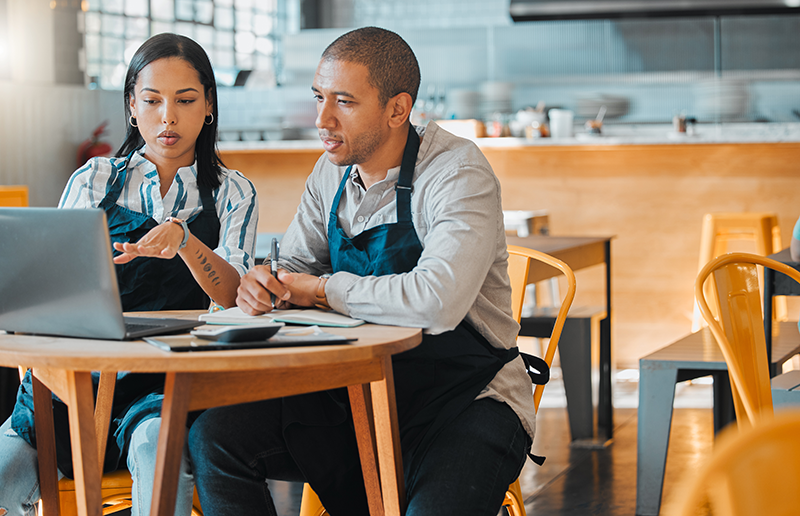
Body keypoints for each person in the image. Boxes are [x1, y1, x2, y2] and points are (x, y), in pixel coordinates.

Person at [187, 27, 535, 516]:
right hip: (355, 393)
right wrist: (266, 286)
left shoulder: (457, 173)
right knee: (215, 437)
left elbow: (436, 301)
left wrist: (323, 291)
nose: (322, 120)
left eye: (344, 102)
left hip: (465, 403)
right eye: (318, 98)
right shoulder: (330, 171)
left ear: (398, 109)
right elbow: (293, 266)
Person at [0, 33, 258, 516]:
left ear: (208, 107)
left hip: (161, 391)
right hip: (69, 389)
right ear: (132, 108)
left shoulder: (232, 193)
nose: (168, 117)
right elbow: (48, 289)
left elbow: (234, 294)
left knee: (158, 452)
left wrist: (184, 241)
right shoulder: (93, 179)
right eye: (152, 100)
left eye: (185, 100)